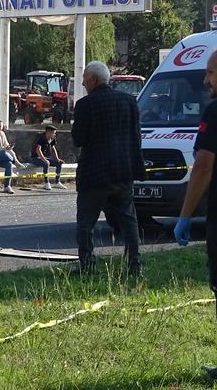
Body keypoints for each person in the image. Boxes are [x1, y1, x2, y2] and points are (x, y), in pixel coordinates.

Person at [72, 60, 144, 276]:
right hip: (123, 171)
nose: (83, 82)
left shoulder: (85, 105)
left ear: (93, 79)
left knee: (86, 223)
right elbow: (136, 137)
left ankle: (87, 266)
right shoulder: (129, 102)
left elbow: (78, 139)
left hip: (94, 175)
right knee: (129, 220)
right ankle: (135, 265)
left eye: (84, 78)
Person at [173, 50, 217, 381]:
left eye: (211, 72)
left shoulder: (214, 112)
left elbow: (202, 166)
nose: (206, 79)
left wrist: (185, 215)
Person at [30, 125, 67, 191]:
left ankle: (57, 182)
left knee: (59, 163)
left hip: (45, 157)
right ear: (48, 132)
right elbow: (38, 150)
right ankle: (46, 183)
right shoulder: (41, 137)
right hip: (35, 157)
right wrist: (44, 160)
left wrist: (57, 159)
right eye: (53, 133)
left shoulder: (52, 138)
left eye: (55, 133)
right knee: (46, 163)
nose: (54, 134)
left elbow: (53, 148)